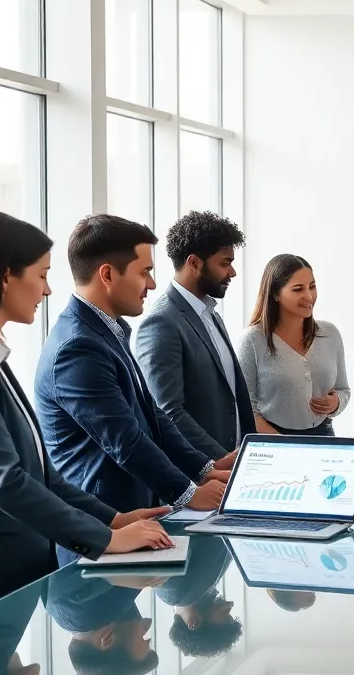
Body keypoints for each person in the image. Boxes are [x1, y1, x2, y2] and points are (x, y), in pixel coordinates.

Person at [0, 212, 173, 606]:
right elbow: (7, 483)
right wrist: (108, 540)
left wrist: (112, 520)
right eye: (41, 275)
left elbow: (38, 472)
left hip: (9, 569)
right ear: (4, 276)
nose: (46, 291)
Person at [35, 215, 232, 524]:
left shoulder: (112, 330)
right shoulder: (77, 348)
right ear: (108, 274)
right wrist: (188, 493)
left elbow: (153, 416)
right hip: (105, 525)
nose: (152, 285)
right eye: (145, 273)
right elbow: (125, 440)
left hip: (138, 513)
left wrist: (203, 470)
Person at [135, 211, 255, 459]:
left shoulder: (211, 315)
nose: (232, 272)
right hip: (199, 476)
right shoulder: (161, 322)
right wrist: (220, 460)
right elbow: (169, 413)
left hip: (233, 466)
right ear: (194, 263)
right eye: (224, 263)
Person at [237, 254, 350, 435]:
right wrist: (283, 444)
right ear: (275, 294)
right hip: (273, 440)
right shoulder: (252, 340)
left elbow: (343, 390)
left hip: (325, 437)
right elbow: (244, 407)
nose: (309, 296)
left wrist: (336, 403)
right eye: (298, 289)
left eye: (312, 286)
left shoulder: (330, 334)